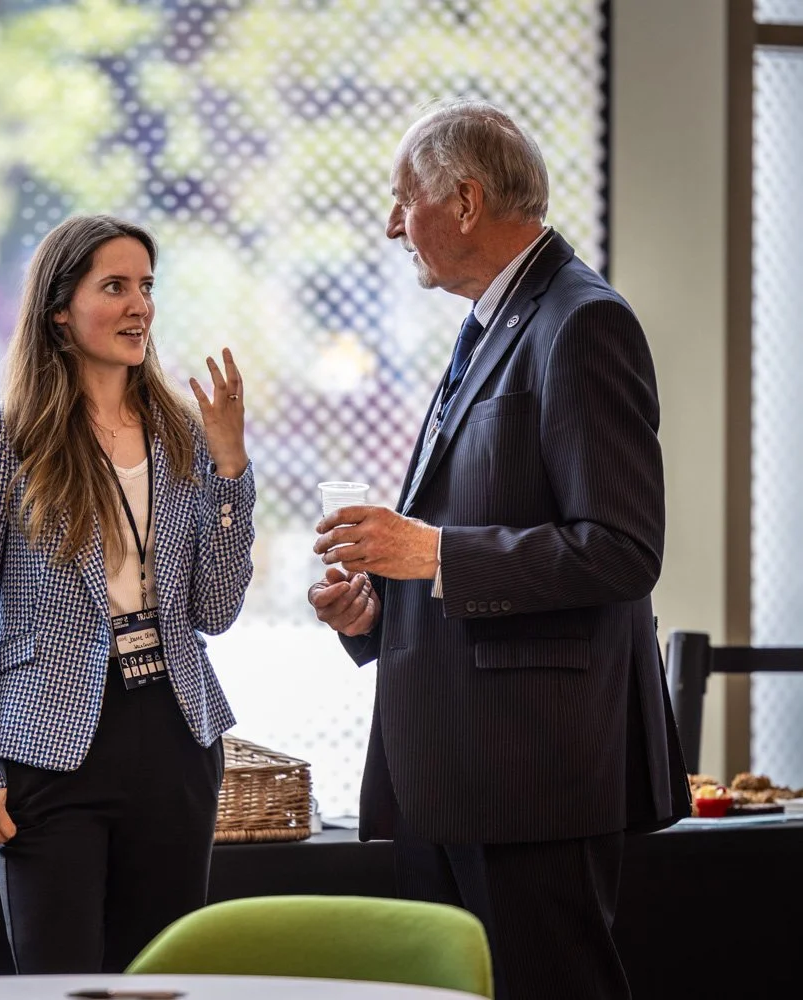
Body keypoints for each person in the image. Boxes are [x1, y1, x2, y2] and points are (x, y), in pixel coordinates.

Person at [307, 100, 689, 1000]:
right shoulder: (497, 318)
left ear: (466, 201)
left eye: (405, 196)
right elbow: (471, 538)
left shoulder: (582, 321)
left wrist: (433, 552)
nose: (392, 220)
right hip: (457, 771)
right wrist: (377, 601)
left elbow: (622, 549)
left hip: (532, 778)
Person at [0, 214, 255, 975]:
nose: (139, 304)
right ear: (59, 312)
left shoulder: (184, 432)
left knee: (160, 985)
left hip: (175, 740)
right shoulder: (1, 437)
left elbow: (216, 608)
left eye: (146, 286)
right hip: (50, 749)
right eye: (115, 287)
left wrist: (232, 466)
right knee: (61, 985)